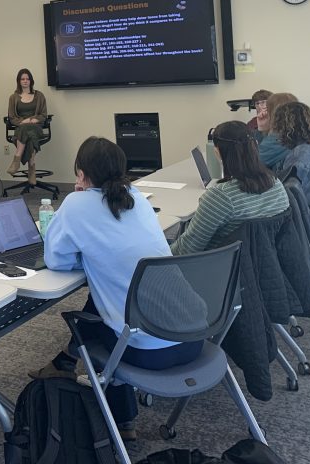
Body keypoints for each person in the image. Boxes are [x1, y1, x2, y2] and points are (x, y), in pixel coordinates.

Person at [39, 136, 197, 442]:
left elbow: (55, 261)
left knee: (102, 317)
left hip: (147, 353)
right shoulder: (136, 197)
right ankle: (63, 363)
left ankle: (124, 421)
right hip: (193, 336)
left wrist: (86, 251)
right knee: (106, 300)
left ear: (81, 174)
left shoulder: (75, 203)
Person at [171, 120, 289, 256]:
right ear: (255, 146)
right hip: (265, 265)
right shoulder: (276, 184)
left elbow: (185, 250)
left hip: (220, 269)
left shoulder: (221, 197)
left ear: (217, 152)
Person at [6, 68, 48, 183]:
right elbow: (12, 117)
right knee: (29, 136)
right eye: (22, 79)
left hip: (36, 127)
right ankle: (32, 170)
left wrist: (34, 119)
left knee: (29, 130)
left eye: (27, 79)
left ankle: (17, 160)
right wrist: (22, 122)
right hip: (22, 127)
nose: (25, 81)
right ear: (19, 81)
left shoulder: (39, 96)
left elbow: (44, 114)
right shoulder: (13, 97)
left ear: (31, 81)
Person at [257, 92, 297, 170]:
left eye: (267, 109)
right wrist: (262, 128)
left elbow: (251, 163)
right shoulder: (293, 133)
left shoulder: (278, 139)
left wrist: (261, 130)